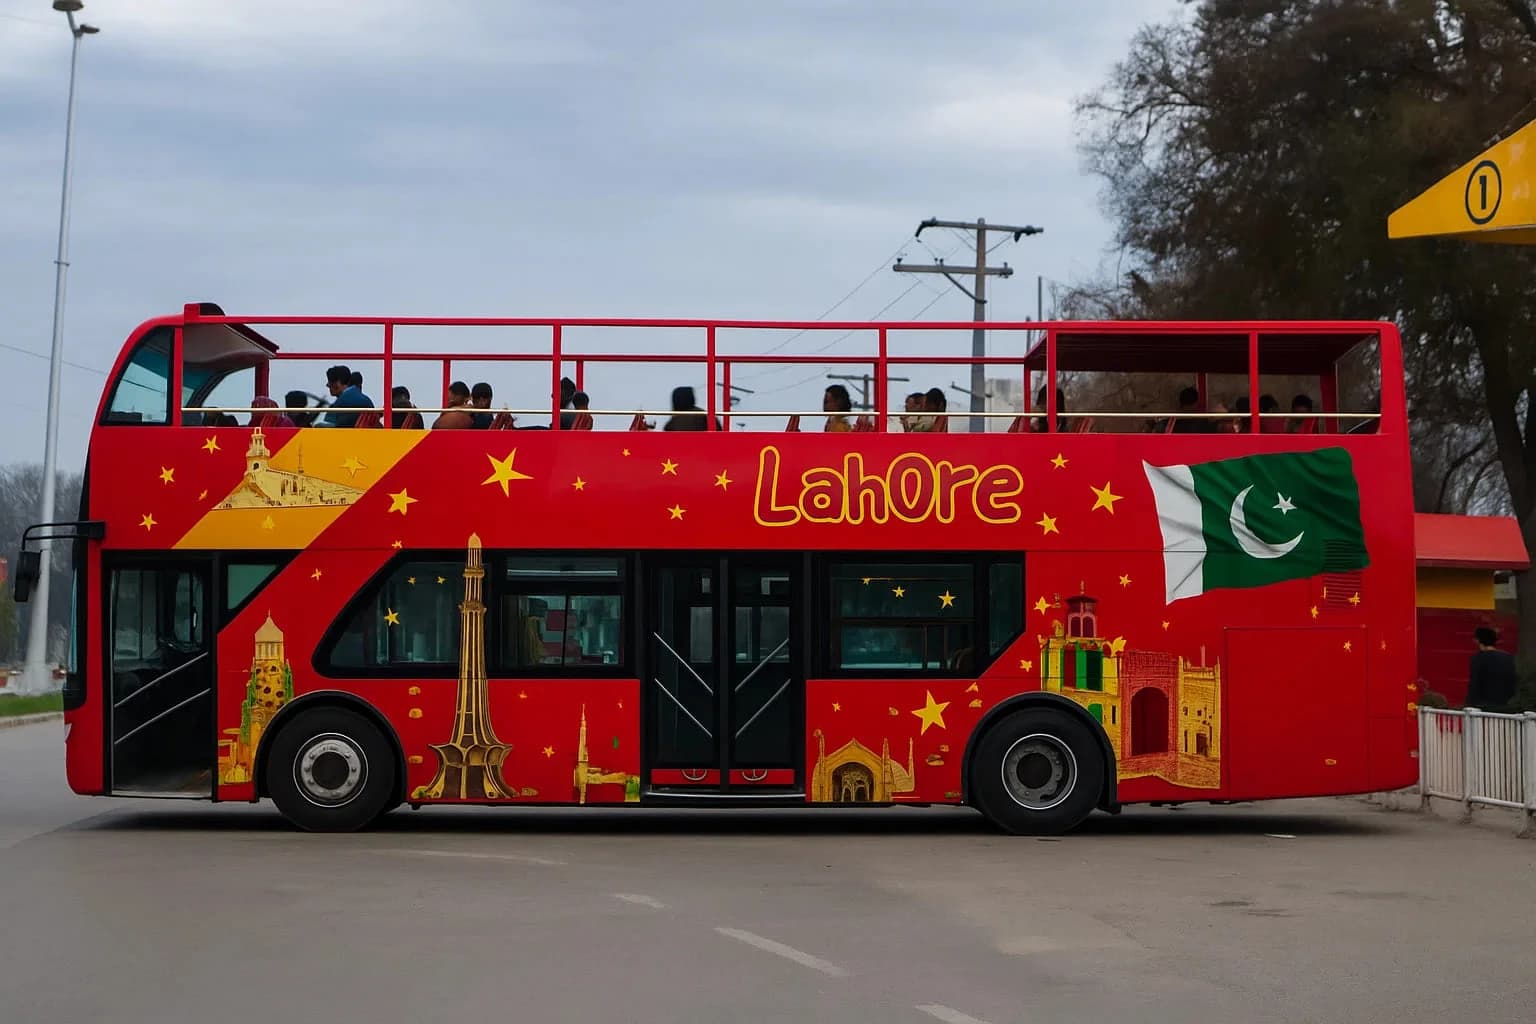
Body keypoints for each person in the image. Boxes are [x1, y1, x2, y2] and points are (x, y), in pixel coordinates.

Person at [1466, 626, 1518, 710]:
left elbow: (1474, 683)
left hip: (1483, 706)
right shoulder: (1508, 658)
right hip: (1504, 705)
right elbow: (1513, 680)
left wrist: (1470, 704)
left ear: (1478, 640)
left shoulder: (1477, 658)